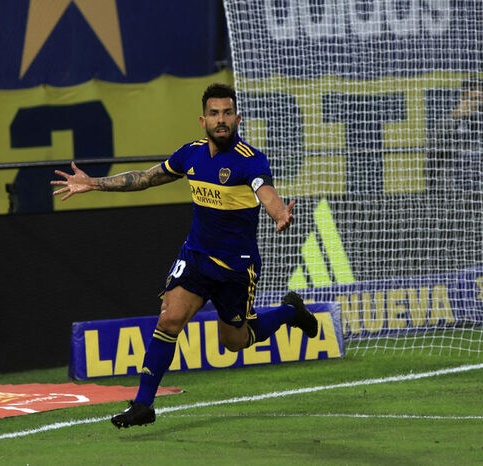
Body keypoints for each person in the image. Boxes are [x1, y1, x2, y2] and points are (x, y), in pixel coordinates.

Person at [51, 83, 318, 428]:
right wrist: (93, 183)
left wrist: (279, 213)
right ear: (203, 120)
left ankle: (290, 312)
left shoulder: (251, 160)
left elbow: (265, 191)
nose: (220, 120)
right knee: (169, 319)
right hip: (196, 257)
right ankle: (143, 404)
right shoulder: (191, 154)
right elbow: (145, 178)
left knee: (234, 341)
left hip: (235, 268)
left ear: (237, 119)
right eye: (214, 113)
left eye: (227, 113)